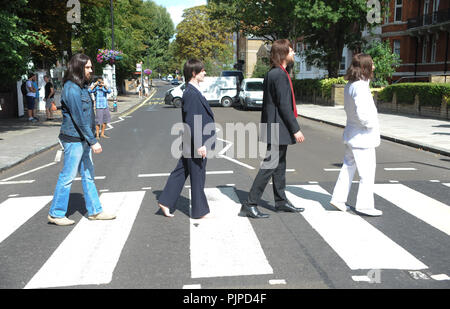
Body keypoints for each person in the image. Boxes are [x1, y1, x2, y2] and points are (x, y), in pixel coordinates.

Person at [239, 39, 306, 219]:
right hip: (278, 127)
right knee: (270, 165)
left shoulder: (274, 73)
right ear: (283, 54)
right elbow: (284, 106)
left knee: (279, 165)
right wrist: (296, 129)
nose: (293, 53)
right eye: (291, 51)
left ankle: (281, 201)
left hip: (274, 126)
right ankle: (250, 203)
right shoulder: (279, 75)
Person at [48, 53, 116, 226]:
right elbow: (79, 118)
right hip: (73, 139)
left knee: (88, 175)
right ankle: (56, 213)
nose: (91, 70)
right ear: (78, 67)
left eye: (91, 67)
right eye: (87, 67)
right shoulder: (71, 88)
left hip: (82, 139)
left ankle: (95, 211)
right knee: (68, 176)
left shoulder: (83, 87)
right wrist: (93, 141)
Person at [157, 59, 216, 219]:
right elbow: (191, 120)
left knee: (181, 172)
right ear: (193, 73)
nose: (205, 72)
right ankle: (199, 211)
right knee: (198, 175)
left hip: (193, 142)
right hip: (196, 142)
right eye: (202, 70)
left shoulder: (193, 91)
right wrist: (200, 144)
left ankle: (165, 200)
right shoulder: (190, 93)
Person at [329, 53, 382, 217]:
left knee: (348, 167)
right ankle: (365, 206)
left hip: (352, 133)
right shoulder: (359, 87)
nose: (374, 67)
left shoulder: (351, 85)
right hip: (362, 136)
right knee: (367, 172)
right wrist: (371, 124)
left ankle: (338, 199)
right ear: (365, 67)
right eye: (371, 64)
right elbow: (363, 112)